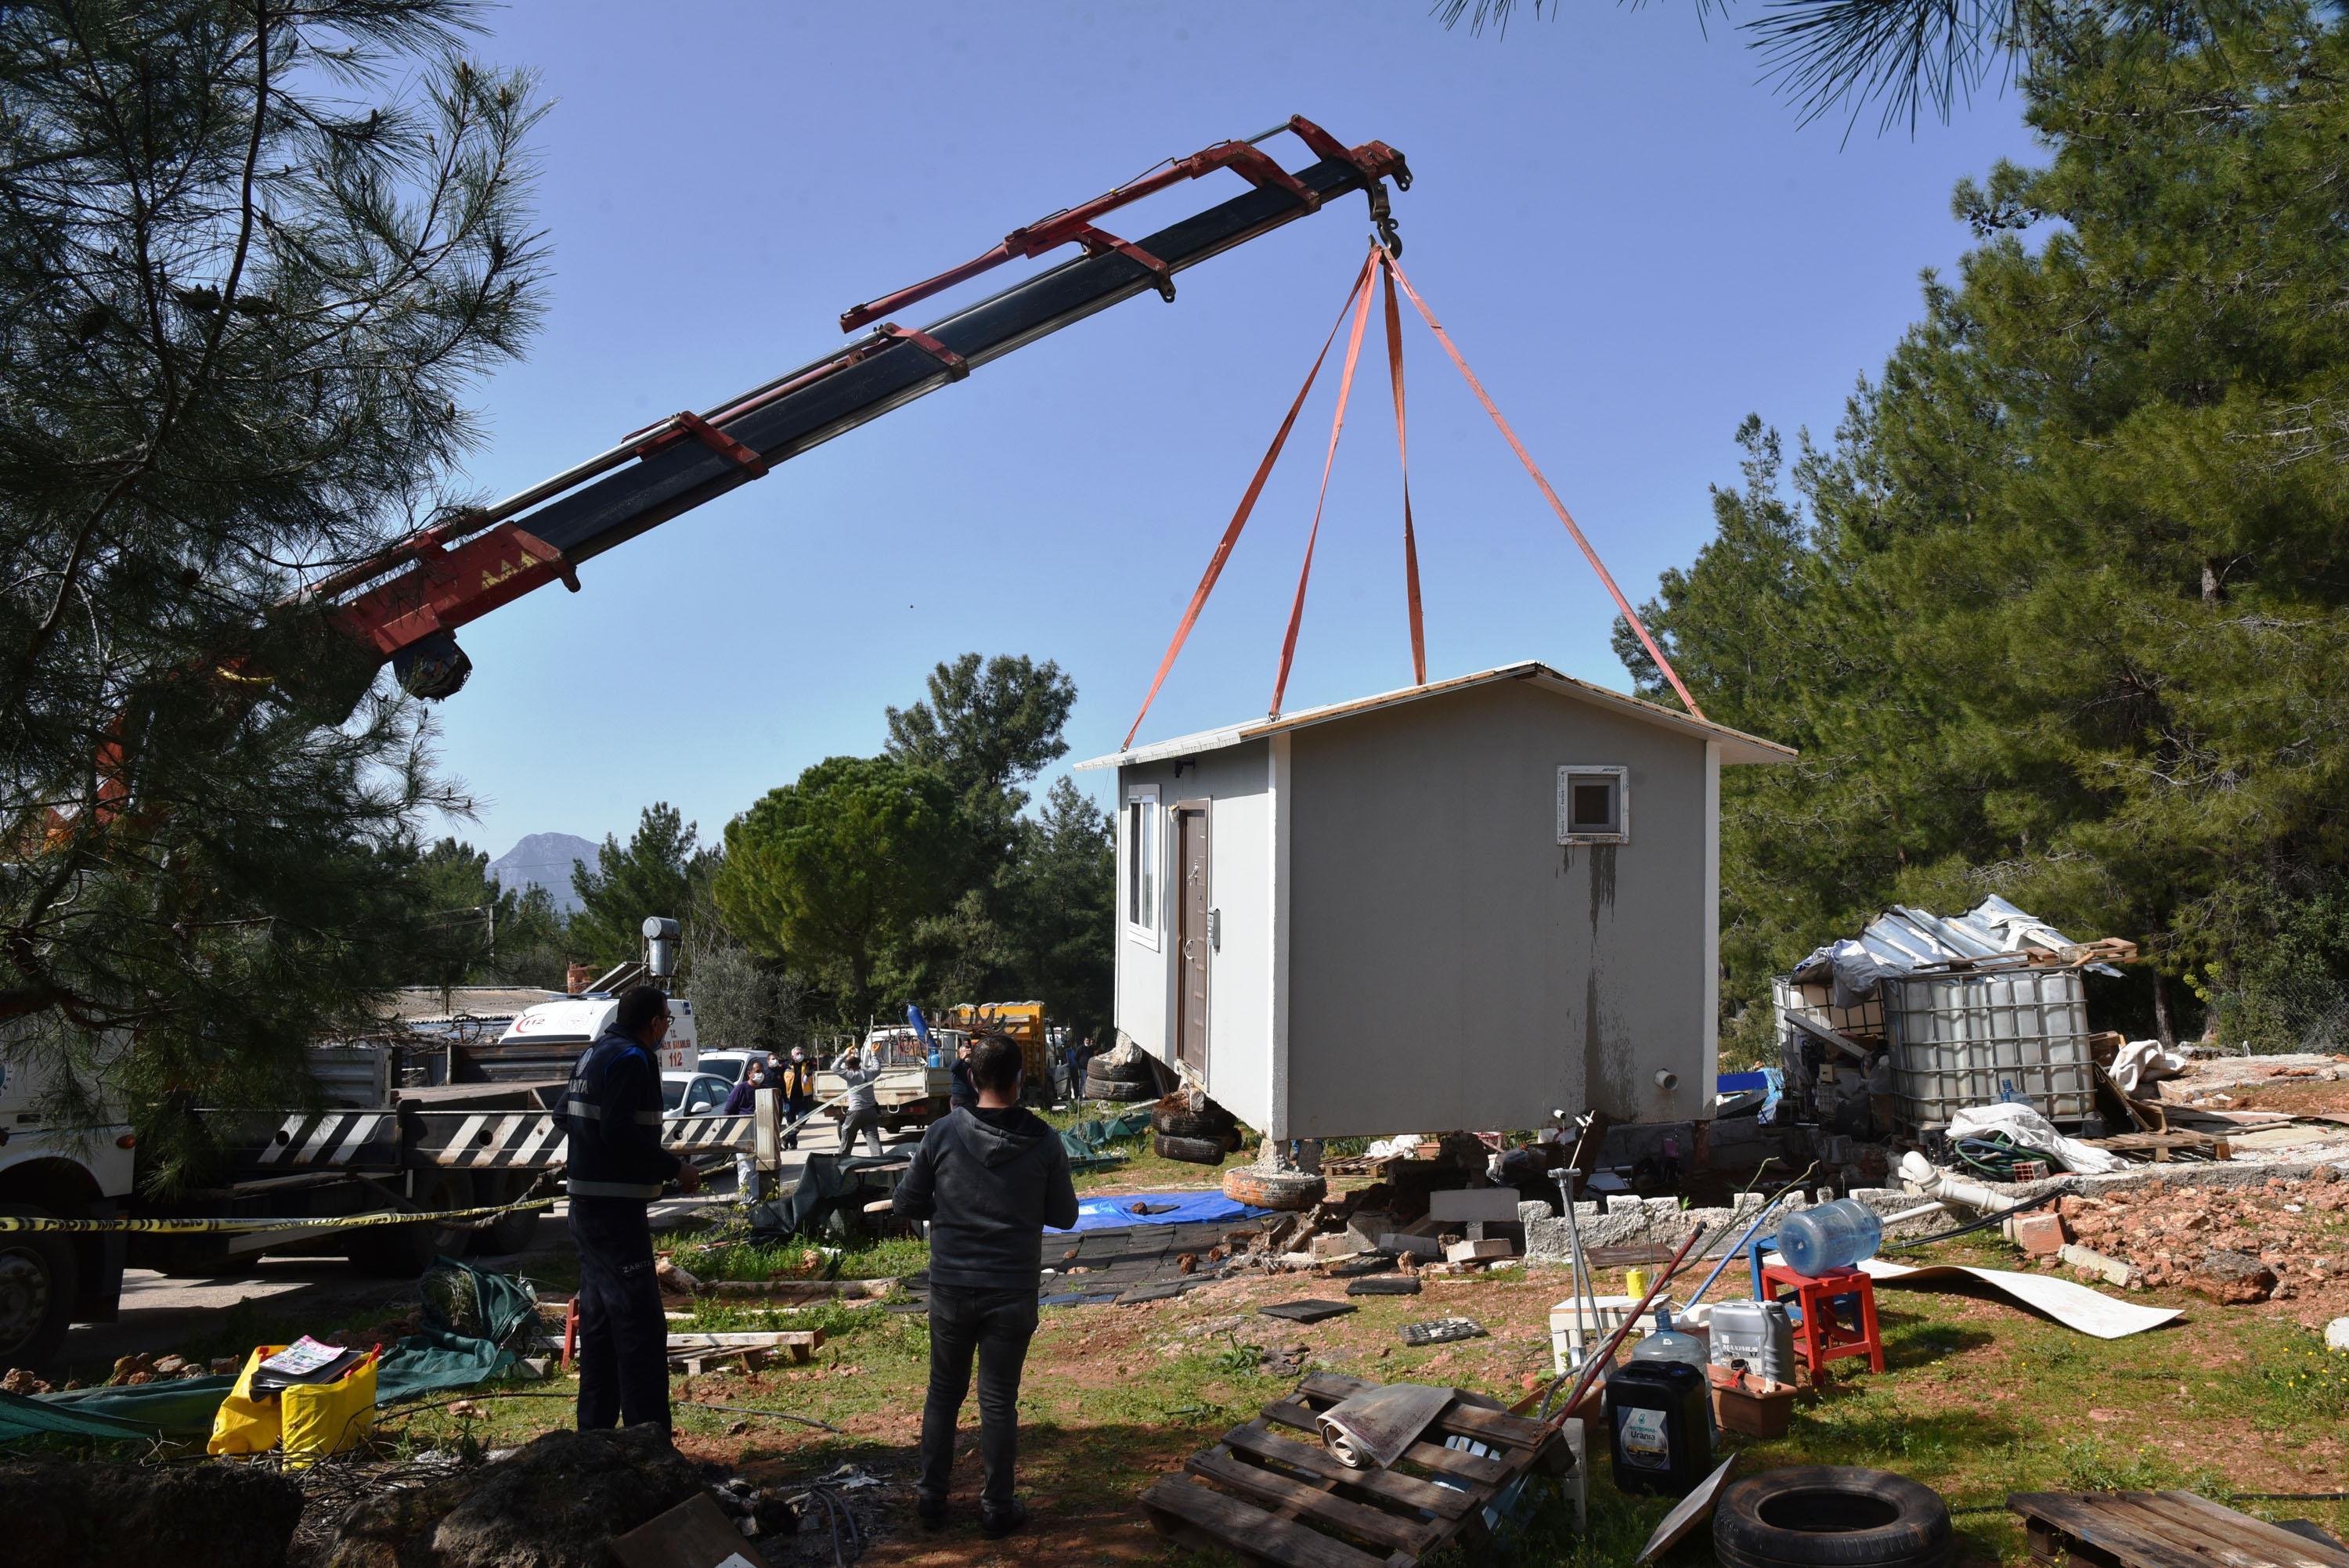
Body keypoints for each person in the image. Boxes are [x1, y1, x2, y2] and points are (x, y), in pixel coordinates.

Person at [891, 1033, 1077, 1538]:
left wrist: (949, 1208)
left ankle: (931, 1498)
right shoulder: (1044, 1140)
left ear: (972, 1079)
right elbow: (1065, 1215)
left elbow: (905, 1204)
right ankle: (997, 1507)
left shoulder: (943, 1133)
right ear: (1022, 1079)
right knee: (998, 1401)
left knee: (943, 1394)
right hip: (1012, 1288)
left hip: (952, 1285)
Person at [561, 984, 698, 1437]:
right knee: (640, 1325)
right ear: (655, 1023)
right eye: (665, 1021)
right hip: (615, 1214)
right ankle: (648, 1438)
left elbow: (567, 1116)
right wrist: (674, 1168)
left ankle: (594, 1436)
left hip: (586, 1209)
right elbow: (618, 1132)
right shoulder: (631, 1059)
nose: (665, 1030)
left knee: (599, 1325)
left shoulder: (594, 1053)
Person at [721, 1057, 767, 1204]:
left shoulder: (764, 1090)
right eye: (758, 1071)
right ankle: (745, 1200)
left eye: (762, 1071)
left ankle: (755, 1199)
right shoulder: (740, 1089)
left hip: (761, 1133)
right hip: (743, 1133)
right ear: (750, 1073)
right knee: (746, 1167)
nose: (761, 1074)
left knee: (756, 1168)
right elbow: (728, 1111)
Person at [832, 1039, 886, 1159]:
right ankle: (879, 1161)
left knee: (847, 1133)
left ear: (848, 1066)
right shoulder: (869, 1073)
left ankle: (842, 1160)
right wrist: (873, 1054)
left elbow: (834, 1067)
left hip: (856, 1112)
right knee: (873, 1139)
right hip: (871, 1112)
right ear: (860, 1063)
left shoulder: (851, 1075)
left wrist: (845, 1054)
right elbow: (877, 1067)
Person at [777, 1045, 817, 1152]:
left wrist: (808, 1073)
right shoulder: (786, 1065)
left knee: (803, 1119)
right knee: (791, 1121)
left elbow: (816, 1066)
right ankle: (793, 1143)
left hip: (803, 1098)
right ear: (792, 1055)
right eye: (797, 1054)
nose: (800, 1055)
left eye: (801, 1053)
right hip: (789, 1099)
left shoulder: (807, 1063)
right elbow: (777, 1074)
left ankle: (787, 1137)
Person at [949, 1036, 980, 1112]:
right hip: (959, 1098)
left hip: (971, 1098)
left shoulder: (973, 1065)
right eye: (965, 1052)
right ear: (960, 1054)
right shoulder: (958, 1064)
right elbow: (952, 1069)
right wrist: (962, 1058)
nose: (967, 1054)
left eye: (969, 1052)